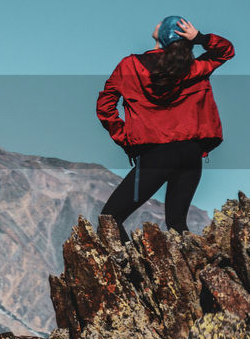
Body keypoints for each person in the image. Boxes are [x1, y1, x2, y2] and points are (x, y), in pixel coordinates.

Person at [96, 15, 234, 241]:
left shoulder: (129, 66)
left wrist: (125, 138)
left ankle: (132, 274)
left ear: (163, 34)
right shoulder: (195, 68)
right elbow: (226, 51)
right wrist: (200, 38)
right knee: (177, 224)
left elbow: (105, 106)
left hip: (157, 155)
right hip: (191, 153)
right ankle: (188, 273)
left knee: (110, 219)